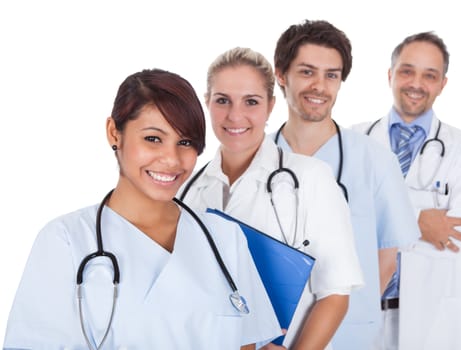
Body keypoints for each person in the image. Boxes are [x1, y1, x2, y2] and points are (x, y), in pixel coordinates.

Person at [3, 69, 282, 349]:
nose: (172, 159)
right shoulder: (66, 240)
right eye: (153, 138)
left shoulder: (225, 238)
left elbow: (247, 343)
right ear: (115, 133)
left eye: (185, 142)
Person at [179, 47, 363, 350]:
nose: (235, 115)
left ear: (270, 106)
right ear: (206, 103)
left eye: (251, 101)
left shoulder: (310, 179)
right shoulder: (188, 192)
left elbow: (335, 293)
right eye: (222, 100)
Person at [271, 20, 419, 349]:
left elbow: (386, 260)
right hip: (272, 337)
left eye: (331, 75)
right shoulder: (258, 159)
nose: (319, 86)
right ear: (281, 74)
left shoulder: (375, 160)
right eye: (307, 72)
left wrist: (351, 315)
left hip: (349, 336)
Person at [353, 32, 461, 349]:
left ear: (442, 84)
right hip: (362, 313)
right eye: (407, 71)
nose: (416, 83)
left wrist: (377, 218)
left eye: (429, 75)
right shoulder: (353, 141)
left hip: (435, 320)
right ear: (390, 75)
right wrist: (419, 221)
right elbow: (338, 221)